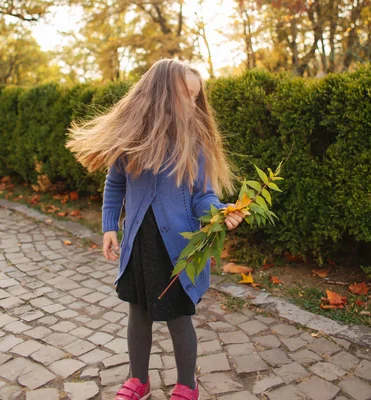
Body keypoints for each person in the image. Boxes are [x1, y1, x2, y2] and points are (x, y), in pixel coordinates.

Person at [66, 58, 245, 400]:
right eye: (186, 95)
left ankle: (186, 384)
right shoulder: (130, 137)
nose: (193, 104)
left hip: (176, 250)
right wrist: (109, 227)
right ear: (161, 94)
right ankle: (139, 380)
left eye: (196, 96)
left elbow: (202, 196)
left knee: (179, 317)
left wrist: (219, 213)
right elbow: (114, 184)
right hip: (139, 244)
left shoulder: (195, 144)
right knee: (138, 314)